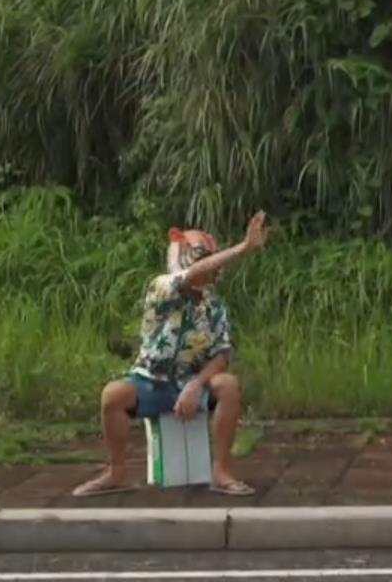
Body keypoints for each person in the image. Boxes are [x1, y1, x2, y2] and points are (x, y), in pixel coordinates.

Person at [72, 211, 269, 498]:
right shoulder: (162, 287)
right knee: (112, 395)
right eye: (206, 261)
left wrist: (196, 384)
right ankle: (116, 473)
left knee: (228, 385)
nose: (213, 270)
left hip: (191, 381)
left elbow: (222, 354)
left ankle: (222, 472)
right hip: (152, 381)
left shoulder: (215, 307)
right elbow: (192, 275)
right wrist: (242, 248)